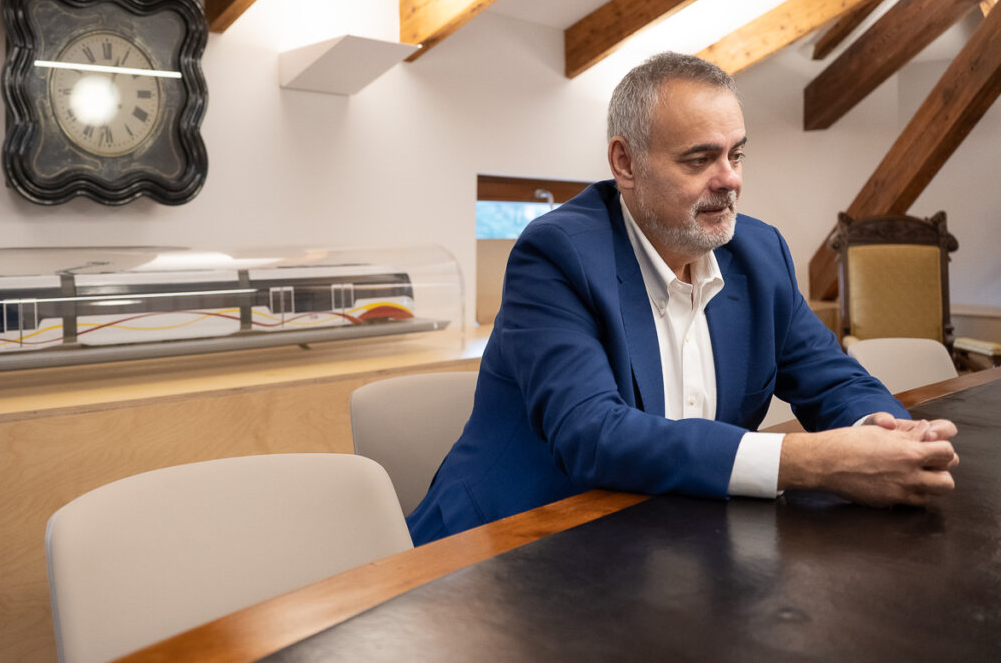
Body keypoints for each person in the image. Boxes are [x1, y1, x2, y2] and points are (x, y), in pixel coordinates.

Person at [407, 52, 959, 546]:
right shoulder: (557, 254)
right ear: (625, 163)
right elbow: (593, 436)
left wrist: (888, 437)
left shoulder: (759, 252)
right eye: (700, 160)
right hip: (506, 548)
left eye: (736, 155)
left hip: (665, 542)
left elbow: (835, 379)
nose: (730, 180)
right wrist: (808, 462)